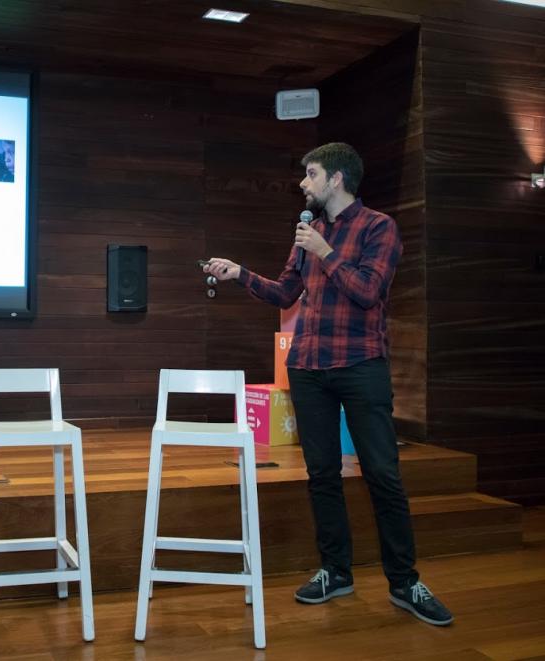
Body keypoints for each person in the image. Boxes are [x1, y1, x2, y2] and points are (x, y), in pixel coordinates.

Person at [203, 142, 453, 627]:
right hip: (309, 368)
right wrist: (240, 274)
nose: (304, 183)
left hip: (361, 366)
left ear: (337, 179)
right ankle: (335, 572)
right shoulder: (308, 232)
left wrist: (327, 252)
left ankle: (405, 582)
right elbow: (286, 292)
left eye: (311, 174)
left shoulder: (378, 227)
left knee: (383, 474)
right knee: (321, 475)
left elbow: (368, 292)